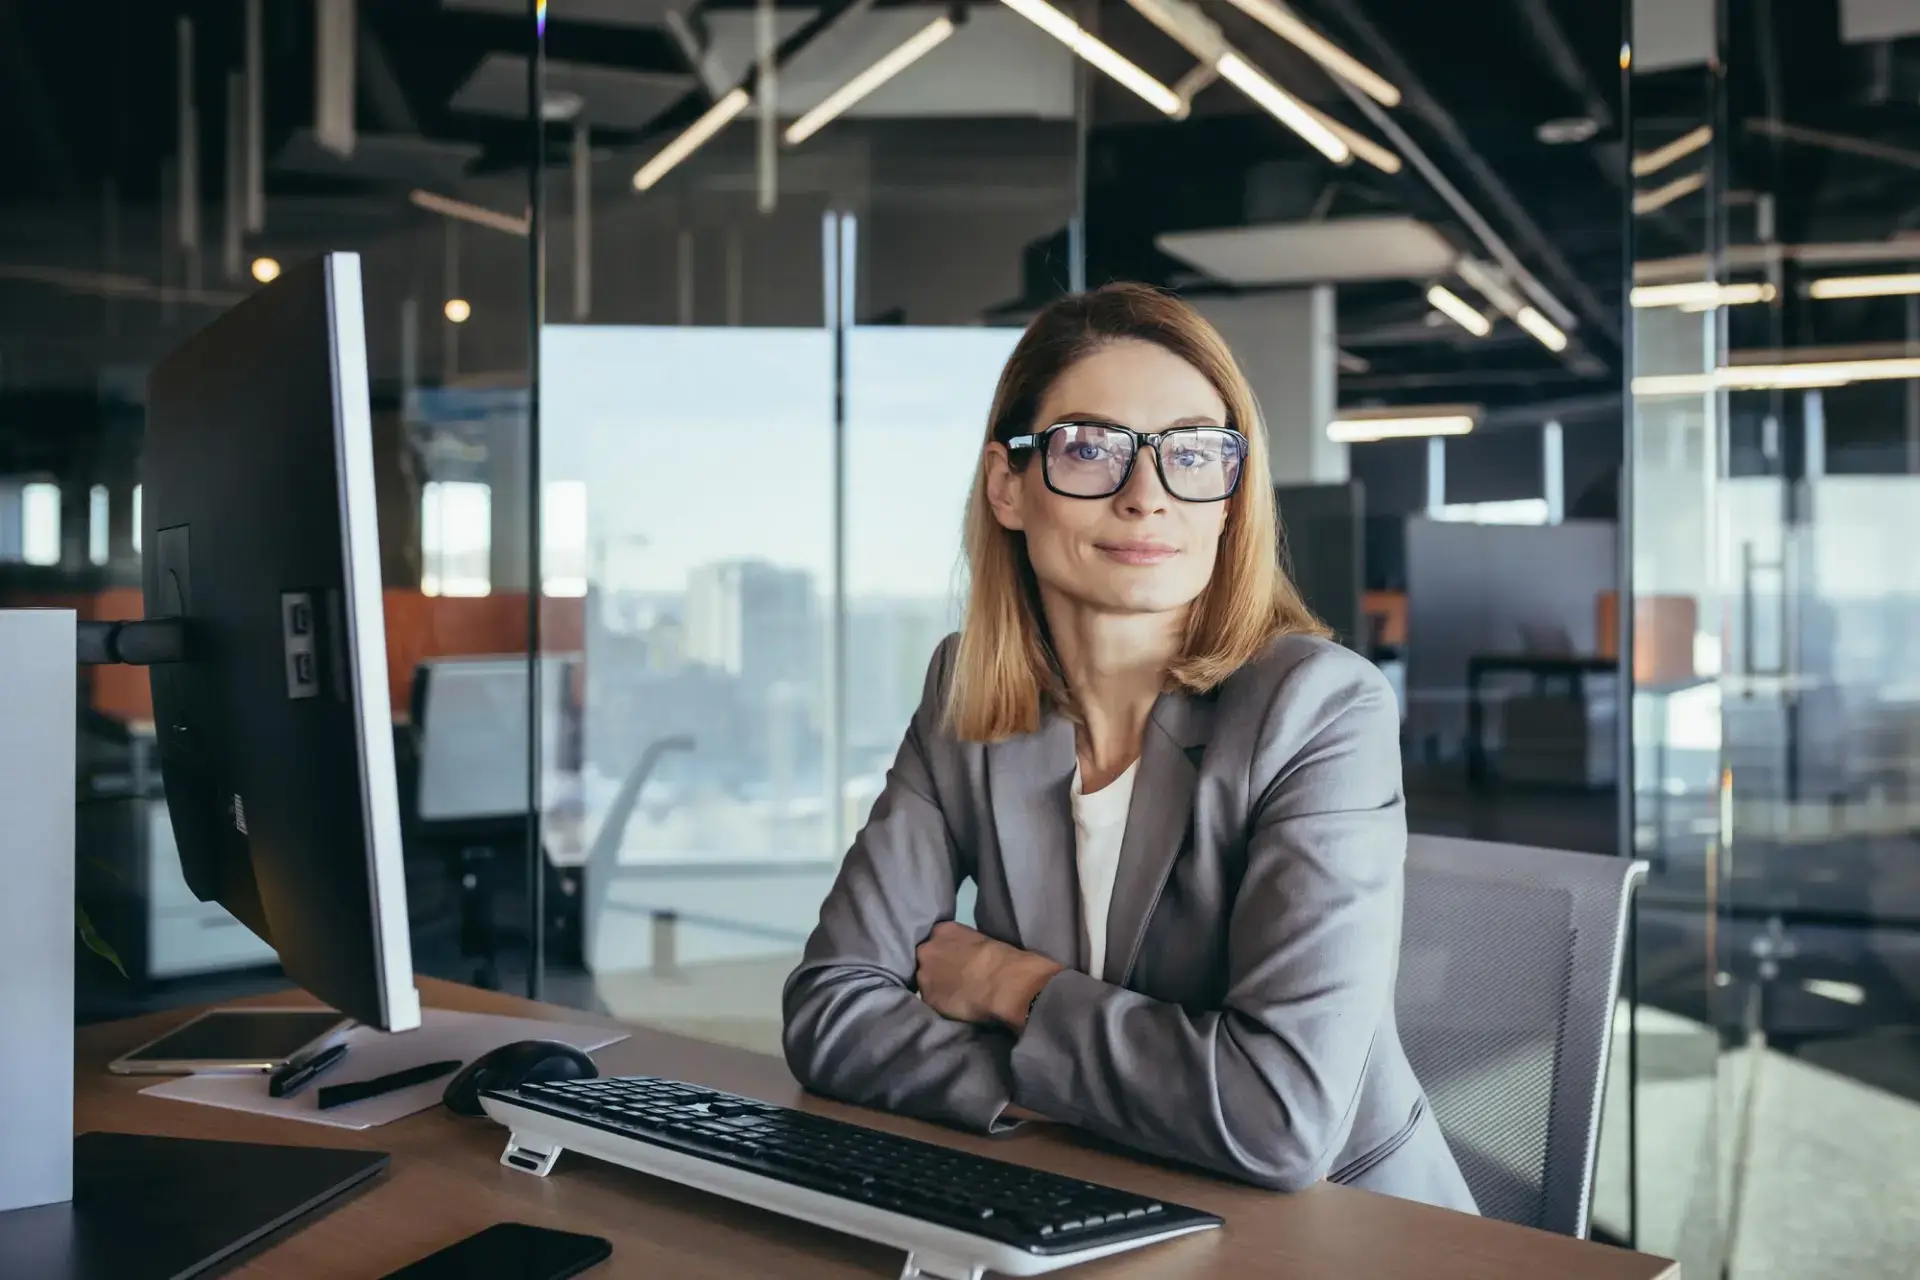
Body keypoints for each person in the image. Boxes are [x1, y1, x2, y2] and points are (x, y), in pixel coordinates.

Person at [782, 283, 1475, 1210]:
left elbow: (1277, 1115)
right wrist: (1091, 1095)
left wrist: (1014, 988)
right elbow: (833, 1014)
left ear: (1230, 498)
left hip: (1339, 1233)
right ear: (1008, 488)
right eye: (1089, 448)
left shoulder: (1316, 709)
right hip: (1086, 1201)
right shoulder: (969, 693)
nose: (1147, 497)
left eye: (1192, 453)